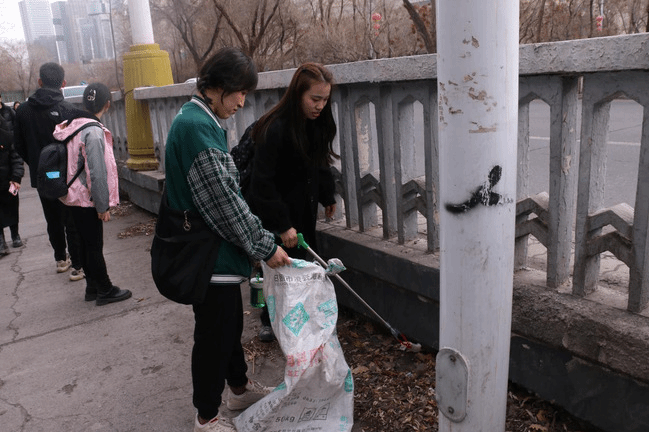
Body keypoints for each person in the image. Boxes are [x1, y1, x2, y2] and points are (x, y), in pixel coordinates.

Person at [164, 47, 291, 432]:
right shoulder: (196, 128)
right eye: (240, 92)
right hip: (209, 254)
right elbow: (224, 204)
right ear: (219, 87)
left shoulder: (197, 118)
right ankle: (206, 416)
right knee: (213, 337)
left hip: (213, 252)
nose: (242, 102)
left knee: (227, 326)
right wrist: (265, 246)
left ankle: (238, 388)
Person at [244, 63, 338, 342]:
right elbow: (261, 184)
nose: (320, 106)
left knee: (301, 265)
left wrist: (327, 193)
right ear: (298, 95)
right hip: (276, 211)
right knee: (277, 268)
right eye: (315, 99)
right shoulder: (274, 128)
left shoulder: (316, 123)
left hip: (304, 206)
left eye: (325, 100)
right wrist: (282, 225)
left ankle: (299, 320)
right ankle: (269, 320)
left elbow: (320, 159)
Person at [53, 83, 132, 306]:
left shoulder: (71, 125)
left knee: (84, 243)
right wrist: (102, 205)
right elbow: (96, 172)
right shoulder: (93, 131)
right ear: (107, 104)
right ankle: (105, 289)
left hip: (72, 196)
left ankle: (92, 287)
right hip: (87, 198)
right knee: (94, 245)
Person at [14, 63, 85, 281]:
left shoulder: (23, 111)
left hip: (43, 176)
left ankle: (60, 259)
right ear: (63, 83)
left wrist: (38, 164)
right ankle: (78, 265)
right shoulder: (68, 110)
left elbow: (19, 146)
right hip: (66, 175)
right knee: (71, 219)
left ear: (39, 82)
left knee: (52, 218)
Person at [0, 113, 24, 255]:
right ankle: (1, 241)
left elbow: (16, 158)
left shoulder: (7, 136)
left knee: (12, 209)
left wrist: (16, 177)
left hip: (8, 180)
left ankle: (15, 234)